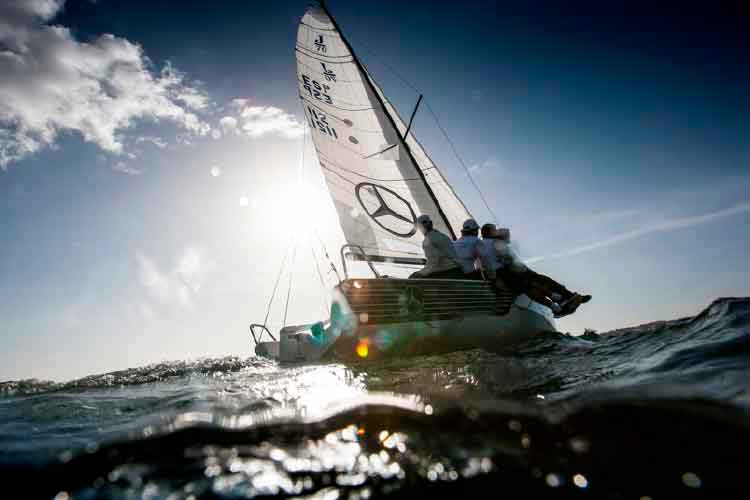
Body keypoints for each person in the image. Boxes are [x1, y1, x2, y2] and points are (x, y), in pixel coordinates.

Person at [481, 223, 591, 317]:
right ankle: (564, 298)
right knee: (538, 281)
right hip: (509, 271)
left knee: (532, 286)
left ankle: (561, 302)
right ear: (490, 232)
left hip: (502, 273)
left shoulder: (481, 244)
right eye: (494, 229)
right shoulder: (494, 243)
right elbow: (506, 256)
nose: (497, 231)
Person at [409, 214, 465, 279]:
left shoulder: (428, 241)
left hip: (448, 273)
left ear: (420, 228)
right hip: (459, 270)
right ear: (431, 223)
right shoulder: (444, 236)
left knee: (416, 278)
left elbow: (432, 262)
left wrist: (419, 273)